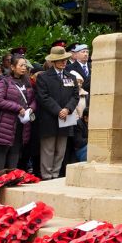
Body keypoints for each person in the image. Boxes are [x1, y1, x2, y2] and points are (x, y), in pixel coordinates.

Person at [33, 46, 79, 179]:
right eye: (60, 60)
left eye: (65, 59)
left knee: (61, 149)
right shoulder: (44, 77)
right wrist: (58, 110)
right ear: (53, 61)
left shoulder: (71, 76)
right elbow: (43, 97)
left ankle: (55, 173)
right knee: (48, 149)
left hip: (66, 117)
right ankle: (47, 175)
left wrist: (67, 109)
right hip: (49, 118)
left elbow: (75, 96)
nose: (63, 62)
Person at [0, 56, 35, 171]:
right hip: (7, 121)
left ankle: (12, 177)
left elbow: (34, 100)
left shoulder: (27, 82)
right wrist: (17, 108)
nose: (23, 68)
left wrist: (31, 108)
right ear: (12, 67)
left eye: (25, 65)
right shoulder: (4, 81)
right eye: (21, 65)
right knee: (3, 149)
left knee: (16, 149)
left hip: (23, 122)